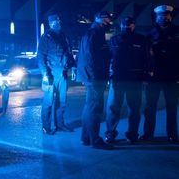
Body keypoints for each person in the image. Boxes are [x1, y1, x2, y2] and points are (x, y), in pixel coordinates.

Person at [104, 16, 150, 144]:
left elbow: (147, 58)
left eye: (130, 24)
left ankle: (132, 135)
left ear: (134, 25)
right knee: (113, 108)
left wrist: (146, 76)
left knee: (134, 109)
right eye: (125, 24)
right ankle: (110, 134)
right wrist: (107, 76)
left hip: (135, 79)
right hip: (117, 79)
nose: (127, 26)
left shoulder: (142, 39)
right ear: (121, 25)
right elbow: (108, 59)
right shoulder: (114, 39)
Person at [141, 5, 179, 143]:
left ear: (170, 17)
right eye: (161, 15)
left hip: (172, 75)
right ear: (156, 17)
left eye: (166, 15)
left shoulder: (177, 32)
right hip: (154, 75)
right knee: (150, 107)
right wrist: (145, 74)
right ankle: (148, 134)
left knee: (172, 107)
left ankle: (172, 134)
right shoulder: (149, 33)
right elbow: (144, 56)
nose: (164, 17)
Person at [76, 11, 113, 149]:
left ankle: (86, 137)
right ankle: (95, 140)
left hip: (92, 76)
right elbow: (90, 58)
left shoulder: (95, 33)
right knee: (95, 108)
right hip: (94, 77)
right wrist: (94, 77)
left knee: (90, 107)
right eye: (107, 20)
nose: (109, 22)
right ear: (99, 19)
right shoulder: (94, 34)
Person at [37, 14, 76, 135]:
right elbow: (41, 57)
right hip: (51, 74)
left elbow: (69, 53)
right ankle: (46, 127)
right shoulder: (46, 37)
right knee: (48, 102)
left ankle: (60, 124)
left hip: (62, 73)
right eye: (55, 22)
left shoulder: (64, 36)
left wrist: (73, 67)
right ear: (50, 23)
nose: (58, 23)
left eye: (59, 21)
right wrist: (45, 74)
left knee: (62, 101)